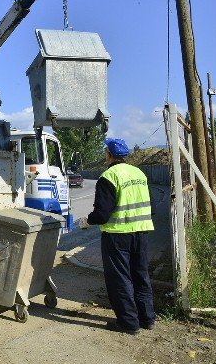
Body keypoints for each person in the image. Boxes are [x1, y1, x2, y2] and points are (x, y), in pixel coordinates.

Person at [82, 137, 155, 335]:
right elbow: (150, 204)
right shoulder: (139, 173)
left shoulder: (109, 176)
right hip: (141, 232)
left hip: (117, 235)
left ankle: (128, 323)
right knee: (141, 276)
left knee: (120, 279)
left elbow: (101, 214)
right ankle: (147, 318)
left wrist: (87, 221)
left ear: (109, 155)